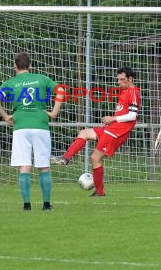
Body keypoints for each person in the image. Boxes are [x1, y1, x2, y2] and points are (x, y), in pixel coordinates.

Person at [51, 66, 141, 197]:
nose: (119, 82)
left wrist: (113, 118)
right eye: (118, 80)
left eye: (122, 80)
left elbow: (133, 115)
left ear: (130, 79)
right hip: (112, 128)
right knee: (84, 133)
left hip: (117, 132)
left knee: (95, 158)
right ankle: (65, 158)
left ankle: (100, 192)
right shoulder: (125, 91)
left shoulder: (133, 92)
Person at [0, 51, 64, 211]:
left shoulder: (11, 83)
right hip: (40, 125)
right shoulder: (41, 79)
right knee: (43, 165)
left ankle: (27, 205)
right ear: (30, 65)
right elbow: (61, 91)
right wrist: (53, 112)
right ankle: (46, 204)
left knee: (24, 166)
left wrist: (5, 116)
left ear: (14, 65)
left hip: (20, 126)